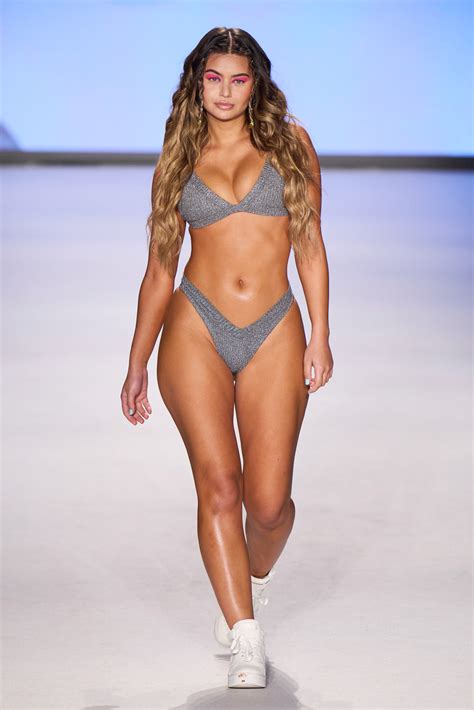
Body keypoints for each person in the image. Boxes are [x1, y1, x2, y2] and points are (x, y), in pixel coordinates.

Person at [120, 26, 333, 690]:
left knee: (268, 507)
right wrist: (137, 362)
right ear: (197, 82)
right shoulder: (178, 157)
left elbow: (310, 245)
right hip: (196, 327)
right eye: (213, 78)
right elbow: (160, 270)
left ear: (255, 85)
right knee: (219, 485)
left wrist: (321, 334)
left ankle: (252, 576)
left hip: (274, 327)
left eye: (238, 80)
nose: (224, 92)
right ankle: (245, 635)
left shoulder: (292, 145)